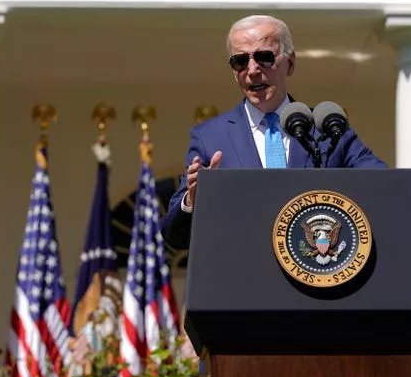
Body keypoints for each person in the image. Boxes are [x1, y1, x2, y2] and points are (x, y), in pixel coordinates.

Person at [161, 14, 389, 251]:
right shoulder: (209, 136)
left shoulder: (328, 128)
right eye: (240, 61)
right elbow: (174, 236)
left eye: (264, 57)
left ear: (290, 63)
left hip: (316, 272)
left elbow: (382, 183)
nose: (252, 70)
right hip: (243, 279)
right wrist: (193, 200)